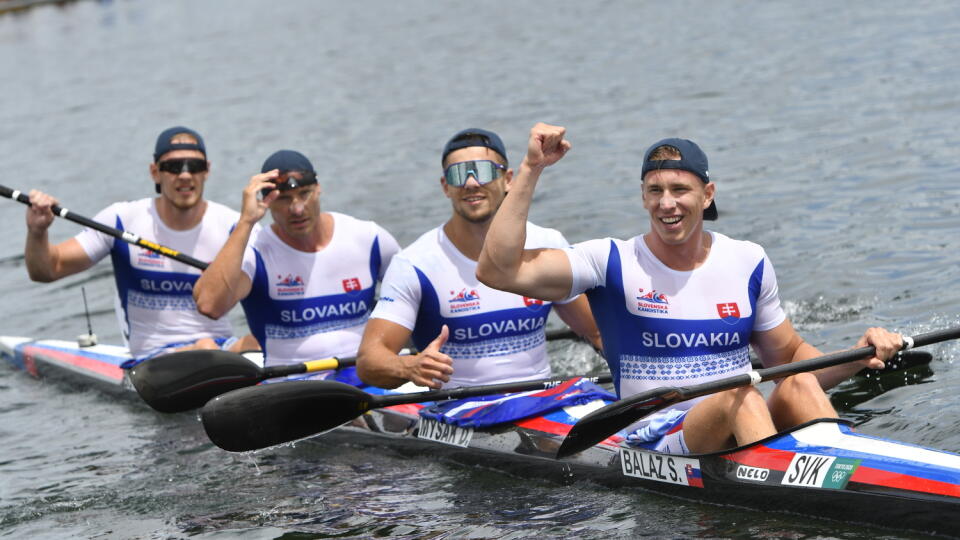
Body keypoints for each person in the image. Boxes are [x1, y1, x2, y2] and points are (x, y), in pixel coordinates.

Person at [476, 123, 903, 454]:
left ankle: (853, 478)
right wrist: (531, 170)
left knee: (798, 384)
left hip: (739, 420)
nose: (667, 203)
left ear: (707, 194)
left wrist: (858, 356)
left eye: (680, 189)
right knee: (739, 393)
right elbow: (498, 271)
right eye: (655, 190)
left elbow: (789, 357)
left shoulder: (747, 260)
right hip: (653, 438)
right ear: (642, 197)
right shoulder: (608, 261)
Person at [356, 128, 601, 390]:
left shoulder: (547, 244)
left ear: (508, 179)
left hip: (542, 400)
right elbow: (369, 361)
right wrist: (410, 366)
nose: (471, 183)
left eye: (482, 171)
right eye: (458, 174)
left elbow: (597, 334)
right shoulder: (414, 264)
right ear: (445, 186)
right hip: (459, 409)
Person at [24, 126, 251, 360]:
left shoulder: (236, 226)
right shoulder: (121, 220)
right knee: (206, 348)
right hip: (153, 359)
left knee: (256, 343)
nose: (184, 175)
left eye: (194, 166)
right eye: (173, 167)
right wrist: (37, 231)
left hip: (220, 347)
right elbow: (48, 270)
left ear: (207, 171)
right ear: (155, 172)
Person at [193, 149, 400, 367]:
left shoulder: (368, 238)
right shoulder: (255, 252)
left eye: (304, 194)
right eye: (283, 199)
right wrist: (246, 221)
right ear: (267, 201)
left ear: (318, 188)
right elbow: (209, 305)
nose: (297, 208)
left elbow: (416, 300)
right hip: (295, 384)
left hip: (366, 374)